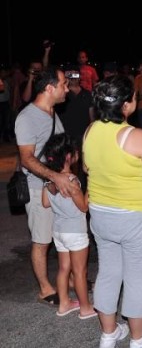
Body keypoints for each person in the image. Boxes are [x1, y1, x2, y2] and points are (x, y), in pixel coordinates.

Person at [82, 75, 142, 348]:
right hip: (134, 218)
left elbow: (88, 168)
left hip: (100, 214)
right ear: (126, 105)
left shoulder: (90, 131)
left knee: (108, 272)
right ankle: (139, 339)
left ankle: (109, 334)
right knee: (136, 279)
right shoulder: (135, 135)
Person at [15, 66, 76, 306]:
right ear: (49, 88)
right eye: (63, 84)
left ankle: (70, 279)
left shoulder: (52, 113)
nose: (67, 88)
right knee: (42, 240)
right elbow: (27, 158)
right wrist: (55, 177)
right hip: (36, 187)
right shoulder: (27, 117)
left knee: (64, 236)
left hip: (55, 185)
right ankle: (44, 288)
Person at [41, 133, 96, 319]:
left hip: (59, 231)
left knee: (64, 268)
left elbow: (46, 203)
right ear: (68, 157)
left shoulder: (50, 180)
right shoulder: (71, 180)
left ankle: (64, 303)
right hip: (75, 231)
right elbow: (84, 206)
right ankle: (86, 308)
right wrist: (91, 186)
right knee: (80, 271)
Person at [56, 68, 94, 193]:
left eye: (76, 75)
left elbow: (91, 115)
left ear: (80, 77)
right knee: (68, 164)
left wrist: (92, 131)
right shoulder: (63, 94)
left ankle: (83, 190)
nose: (73, 78)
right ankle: (70, 189)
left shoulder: (87, 94)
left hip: (83, 134)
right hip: (67, 135)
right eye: (70, 75)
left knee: (85, 164)